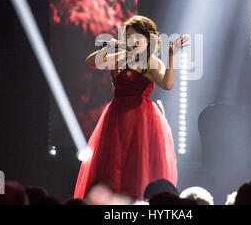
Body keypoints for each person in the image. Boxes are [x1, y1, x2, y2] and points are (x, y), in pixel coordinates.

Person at [74, 15, 189, 201]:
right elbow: (91, 61)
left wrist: (171, 56)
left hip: (141, 119)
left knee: (137, 165)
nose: (132, 42)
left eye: (137, 38)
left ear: (148, 39)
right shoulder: (121, 58)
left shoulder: (151, 62)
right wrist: (113, 47)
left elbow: (167, 84)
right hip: (116, 117)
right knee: (113, 167)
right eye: (128, 38)